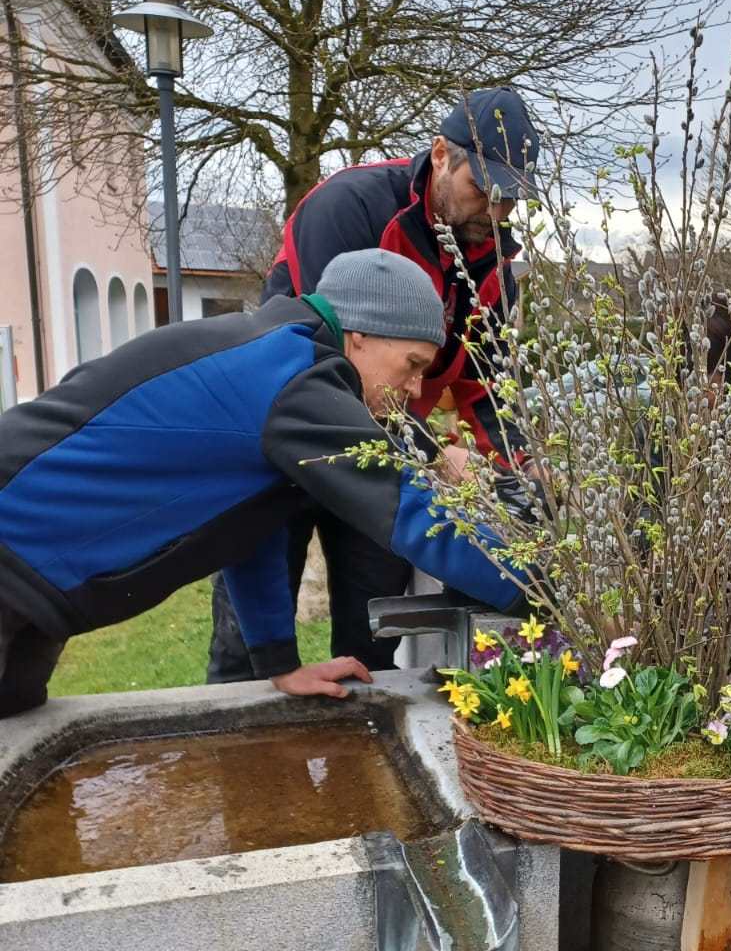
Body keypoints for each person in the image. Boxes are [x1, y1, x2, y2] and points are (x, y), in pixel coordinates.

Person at [0, 250, 529, 721]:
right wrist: (541, 592)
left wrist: (279, 662)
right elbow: (410, 513)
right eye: (412, 365)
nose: (415, 388)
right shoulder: (296, 377)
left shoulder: (279, 361)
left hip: (33, 587)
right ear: (361, 334)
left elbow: (248, 529)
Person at [207, 87, 540, 684]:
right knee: (247, 649)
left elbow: (485, 384)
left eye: (511, 197)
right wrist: (437, 452)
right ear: (441, 154)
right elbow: (332, 363)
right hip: (289, 433)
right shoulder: (349, 207)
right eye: (484, 188)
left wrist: (516, 467)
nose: (496, 208)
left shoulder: (493, 266)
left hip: (387, 443)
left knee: (373, 641)